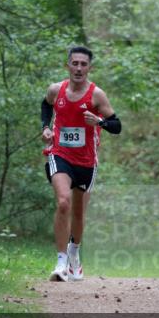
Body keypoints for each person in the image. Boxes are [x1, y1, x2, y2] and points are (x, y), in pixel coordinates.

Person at [41, 46, 121, 281]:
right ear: (67, 65)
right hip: (59, 154)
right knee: (63, 202)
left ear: (89, 68)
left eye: (83, 64)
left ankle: (74, 254)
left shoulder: (97, 95)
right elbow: (46, 105)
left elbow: (117, 126)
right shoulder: (56, 90)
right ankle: (61, 263)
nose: (78, 68)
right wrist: (46, 127)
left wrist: (99, 121)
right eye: (74, 63)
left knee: (78, 212)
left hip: (87, 161)